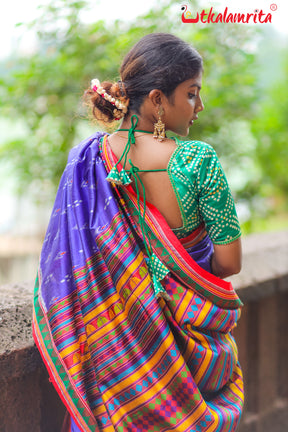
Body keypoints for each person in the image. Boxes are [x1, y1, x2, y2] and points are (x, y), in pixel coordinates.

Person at [33, 33, 244, 432]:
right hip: (187, 355)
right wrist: (181, 268)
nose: (199, 106)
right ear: (158, 100)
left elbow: (63, 263)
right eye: (192, 93)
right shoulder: (198, 160)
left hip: (114, 357)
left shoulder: (87, 159)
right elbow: (229, 264)